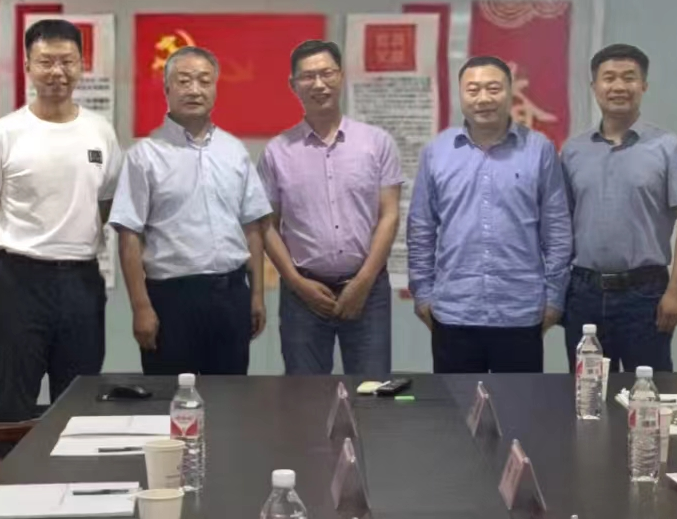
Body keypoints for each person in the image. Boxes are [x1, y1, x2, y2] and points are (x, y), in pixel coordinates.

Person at [0, 19, 121, 450]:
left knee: (80, 398)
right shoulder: (4, 133)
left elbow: (106, 204)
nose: (57, 72)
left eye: (67, 61)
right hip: (18, 280)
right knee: (13, 399)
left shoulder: (100, 131)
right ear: (28, 67)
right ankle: (4, 484)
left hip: (82, 280)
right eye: (46, 61)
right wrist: (12, 254)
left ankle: (77, 483)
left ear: (81, 65)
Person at [109, 46, 272, 375]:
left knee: (231, 397)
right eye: (184, 81)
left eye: (204, 81)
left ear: (215, 89)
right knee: (170, 397)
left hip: (230, 295)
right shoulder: (144, 155)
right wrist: (140, 306)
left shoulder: (234, 151)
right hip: (171, 299)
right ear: (167, 89)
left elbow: (252, 228)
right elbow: (129, 236)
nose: (195, 90)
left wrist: (256, 295)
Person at [407, 56, 572, 374]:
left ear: (510, 92)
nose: (483, 98)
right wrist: (423, 294)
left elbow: (557, 230)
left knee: (520, 404)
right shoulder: (437, 152)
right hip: (454, 310)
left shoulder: (539, 150)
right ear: (461, 95)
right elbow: (420, 229)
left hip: (520, 310)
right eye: (473, 90)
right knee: (457, 404)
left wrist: (554, 298)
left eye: (493, 88)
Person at [259, 40, 403, 378]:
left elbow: (390, 214)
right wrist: (296, 282)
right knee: (305, 394)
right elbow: (267, 226)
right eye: (308, 77)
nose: (319, 84)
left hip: (368, 288)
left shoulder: (376, 143)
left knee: (371, 390)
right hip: (303, 293)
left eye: (327, 73)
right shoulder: (277, 151)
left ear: (341, 76)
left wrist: (363, 281)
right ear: (293, 85)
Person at [561, 44, 677, 373]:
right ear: (594, 86)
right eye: (609, 78)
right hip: (584, 294)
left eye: (629, 77)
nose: (619, 86)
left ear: (644, 85)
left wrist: (676, 291)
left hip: (645, 294)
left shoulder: (668, 148)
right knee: (589, 393)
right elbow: (561, 224)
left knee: (650, 390)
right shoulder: (573, 151)